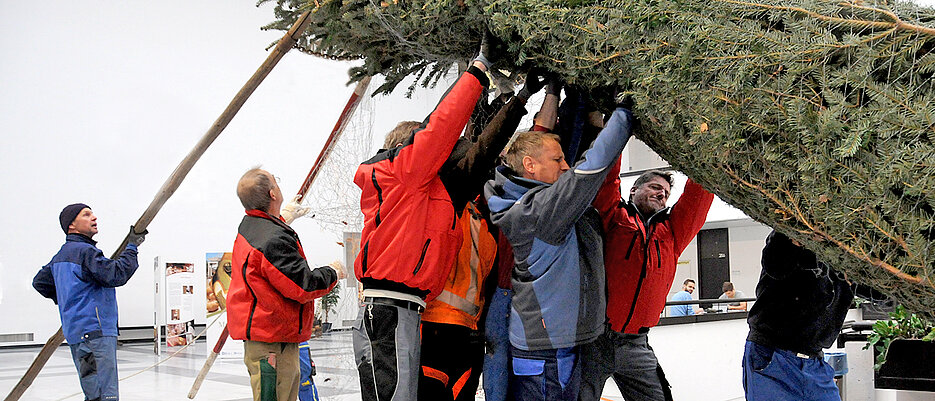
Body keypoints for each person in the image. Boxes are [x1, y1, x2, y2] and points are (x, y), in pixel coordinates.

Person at [352, 49, 491, 401]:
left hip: (398, 310)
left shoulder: (405, 189)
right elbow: (441, 125)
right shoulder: (407, 172)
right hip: (392, 310)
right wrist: (477, 71)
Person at [485, 104, 637, 400]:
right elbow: (590, 170)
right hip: (547, 350)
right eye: (558, 159)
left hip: (551, 343)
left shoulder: (529, 203)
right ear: (530, 165)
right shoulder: (539, 211)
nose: (566, 166)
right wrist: (624, 113)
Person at [418, 72, 548, 401]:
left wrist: (516, 99)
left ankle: (492, 98)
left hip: (470, 331)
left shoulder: (482, 211)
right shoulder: (441, 201)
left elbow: (503, 162)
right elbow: (456, 140)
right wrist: (482, 78)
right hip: (434, 331)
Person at [580, 163, 714, 401]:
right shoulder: (614, 217)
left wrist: (704, 155)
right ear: (633, 190)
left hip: (636, 345)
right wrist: (619, 127)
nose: (661, 194)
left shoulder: (672, 233)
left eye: (666, 193)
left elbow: (698, 198)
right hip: (594, 340)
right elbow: (608, 176)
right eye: (654, 187)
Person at [227, 168, 343, 401]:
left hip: (271, 338)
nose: (279, 185)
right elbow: (304, 286)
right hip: (272, 346)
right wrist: (334, 272)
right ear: (272, 193)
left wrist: (281, 218)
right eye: (276, 181)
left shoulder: (252, 225)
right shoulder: (272, 239)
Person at [33, 203, 147, 401]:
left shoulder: (61, 256)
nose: (94, 217)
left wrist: (70, 300)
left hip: (77, 334)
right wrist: (132, 247)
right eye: (86, 215)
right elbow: (116, 274)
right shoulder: (85, 252)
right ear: (71, 226)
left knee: (93, 392)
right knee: (106, 394)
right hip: (96, 333)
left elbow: (40, 282)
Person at [743, 230, 853, 400]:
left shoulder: (850, 245)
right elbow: (775, 264)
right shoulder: (793, 229)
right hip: (773, 355)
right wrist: (799, 239)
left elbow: (877, 291)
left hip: (814, 361)